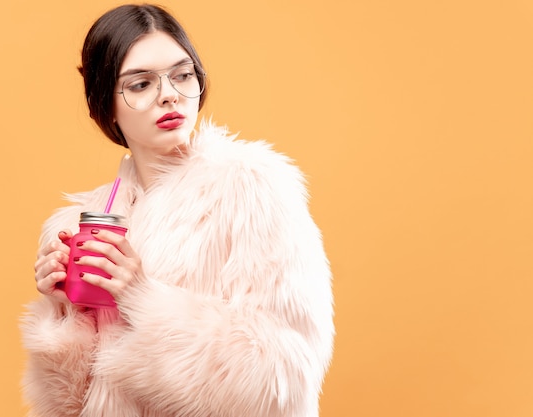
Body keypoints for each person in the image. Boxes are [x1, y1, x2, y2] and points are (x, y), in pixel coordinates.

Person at [21, 4, 334, 417]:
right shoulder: (80, 225)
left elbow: (285, 380)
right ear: (104, 102)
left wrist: (141, 297)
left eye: (182, 74)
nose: (169, 93)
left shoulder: (252, 190)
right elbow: (66, 407)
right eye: (140, 84)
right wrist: (65, 314)